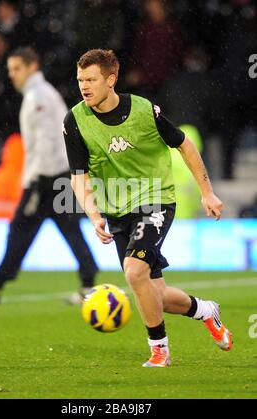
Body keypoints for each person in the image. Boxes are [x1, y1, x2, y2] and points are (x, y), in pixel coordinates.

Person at [63, 49, 232, 368]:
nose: (84, 86)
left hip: (155, 200)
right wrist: (95, 215)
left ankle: (160, 351)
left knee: (134, 270)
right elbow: (78, 178)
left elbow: (185, 144)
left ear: (110, 80)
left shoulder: (143, 110)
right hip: (116, 211)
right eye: (80, 80)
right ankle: (206, 310)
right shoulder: (75, 121)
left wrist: (207, 193)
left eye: (91, 79)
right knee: (155, 293)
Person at [0, 47, 98, 304]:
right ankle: (88, 281)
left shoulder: (38, 97)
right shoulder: (42, 94)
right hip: (58, 175)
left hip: (46, 178)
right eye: (10, 69)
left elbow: (46, 142)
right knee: (69, 229)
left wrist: (34, 180)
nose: (12, 75)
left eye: (17, 69)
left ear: (32, 66)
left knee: (21, 229)